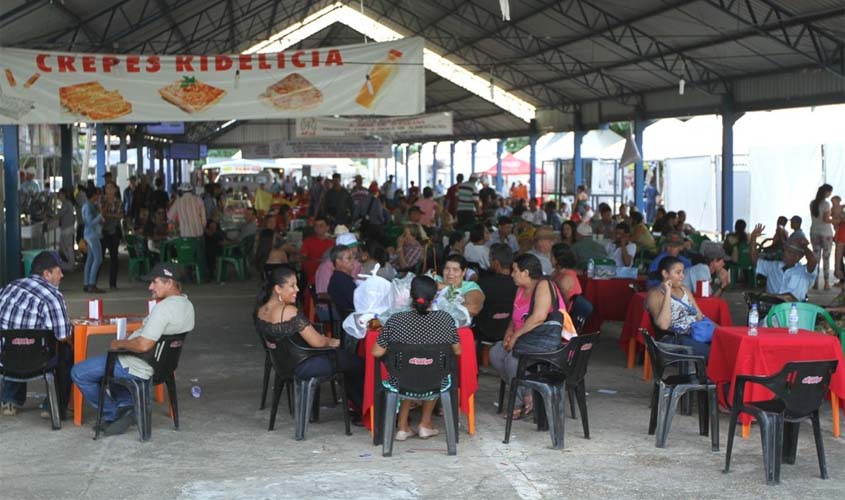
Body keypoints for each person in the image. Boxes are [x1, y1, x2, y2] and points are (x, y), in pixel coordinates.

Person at [71, 263, 195, 436]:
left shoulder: (163, 308)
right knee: (108, 366)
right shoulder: (187, 306)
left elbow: (144, 345)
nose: (150, 287)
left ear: (169, 283)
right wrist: (135, 334)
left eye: (155, 282)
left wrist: (120, 343)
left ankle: (112, 413)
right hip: (164, 366)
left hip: (140, 364)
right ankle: (126, 408)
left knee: (80, 372)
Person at [254, 266, 364, 420]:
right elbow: (318, 342)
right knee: (359, 364)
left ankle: (359, 408)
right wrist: (333, 341)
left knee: (346, 364)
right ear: (278, 289)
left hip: (282, 364)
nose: (297, 289)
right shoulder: (289, 311)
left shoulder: (261, 310)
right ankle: (366, 409)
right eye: (292, 285)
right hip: (303, 365)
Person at [372, 275, 460, 440]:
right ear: (434, 297)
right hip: (436, 381)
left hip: (401, 381)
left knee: (407, 372)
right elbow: (458, 350)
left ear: (410, 296)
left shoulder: (395, 321)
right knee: (431, 371)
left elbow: (376, 352)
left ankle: (402, 427)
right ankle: (425, 424)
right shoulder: (446, 320)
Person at [489, 254, 571, 419]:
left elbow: (538, 317)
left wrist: (515, 337)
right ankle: (528, 394)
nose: (512, 274)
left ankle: (521, 401)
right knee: (496, 353)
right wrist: (508, 334)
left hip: (544, 344)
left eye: (515, 270)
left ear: (526, 272)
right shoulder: (520, 289)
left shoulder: (544, 285)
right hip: (524, 340)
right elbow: (515, 318)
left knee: (513, 361)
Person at [0, 251, 72, 417]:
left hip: (4, 359)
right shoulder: (53, 297)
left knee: (15, 340)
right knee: (67, 350)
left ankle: (10, 399)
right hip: (37, 363)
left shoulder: (10, 287)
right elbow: (62, 336)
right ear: (47, 274)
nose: (62, 275)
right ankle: (52, 408)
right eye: (58, 270)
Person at [646, 256, 709, 357]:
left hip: (693, 335)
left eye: (683, 272)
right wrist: (667, 293)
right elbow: (663, 325)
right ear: (665, 274)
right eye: (678, 272)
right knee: (714, 353)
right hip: (673, 340)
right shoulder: (655, 294)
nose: (682, 276)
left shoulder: (684, 289)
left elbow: (699, 316)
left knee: (722, 345)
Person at [749, 223, 817, 302]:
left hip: (794, 310)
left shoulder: (804, 272)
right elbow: (754, 260)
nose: (785, 253)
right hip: (772, 308)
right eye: (785, 250)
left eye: (789, 252)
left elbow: (813, 260)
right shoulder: (773, 266)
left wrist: (805, 246)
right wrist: (753, 238)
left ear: (798, 257)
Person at [478, 243, 519, 323]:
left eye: (490, 259)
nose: (489, 262)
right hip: (511, 328)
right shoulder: (518, 284)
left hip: (485, 329)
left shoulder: (483, 283)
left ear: (496, 263)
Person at [99, 182, 124, 290]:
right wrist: (113, 215)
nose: (108, 190)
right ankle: (92, 282)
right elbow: (101, 214)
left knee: (114, 257)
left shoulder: (118, 201)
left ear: (115, 190)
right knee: (99, 257)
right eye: (106, 188)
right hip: (102, 231)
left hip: (114, 231)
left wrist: (109, 215)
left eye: (110, 188)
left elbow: (120, 215)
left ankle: (113, 283)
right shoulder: (102, 200)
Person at [809, 184, 834, 289]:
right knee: (826, 259)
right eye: (830, 192)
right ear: (826, 192)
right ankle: (826, 283)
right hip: (826, 234)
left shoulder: (812, 203)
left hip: (814, 232)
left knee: (816, 258)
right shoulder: (826, 204)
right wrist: (836, 220)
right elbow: (826, 219)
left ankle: (815, 282)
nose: (830, 194)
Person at [82, 188, 105, 293]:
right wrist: (100, 216)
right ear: (94, 195)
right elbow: (90, 222)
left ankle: (86, 283)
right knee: (98, 258)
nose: (99, 197)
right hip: (92, 235)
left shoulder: (90, 206)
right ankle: (92, 283)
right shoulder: (88, 206)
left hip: (91, 234)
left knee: (90, 259)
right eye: (97, 194)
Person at [327, 245, 358, 320]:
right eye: (349, 258)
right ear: (338, 261)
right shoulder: (341, 280)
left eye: (353, 257)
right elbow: (356, 302)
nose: (353, 261)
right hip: (352, 320)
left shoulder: (340, 277)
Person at [300, 217, 335, 283]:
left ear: (327, 228)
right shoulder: (308, 241)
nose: (318, 228)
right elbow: (303, 256)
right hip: (311, 274)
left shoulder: (332, 243)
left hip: (328, 273)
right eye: (316, 226)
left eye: (321, 226)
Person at [56, 189, 76, 270]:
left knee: (67, 247)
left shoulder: (66, 204)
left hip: (67, 229)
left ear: (63, 194)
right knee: (65, 247)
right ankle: (70, 264)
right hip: (68, 228)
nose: (58, 196)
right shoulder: (68, 204)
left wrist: (51, 217)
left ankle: (71, 265)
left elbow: (59, 214)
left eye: (59, 194)